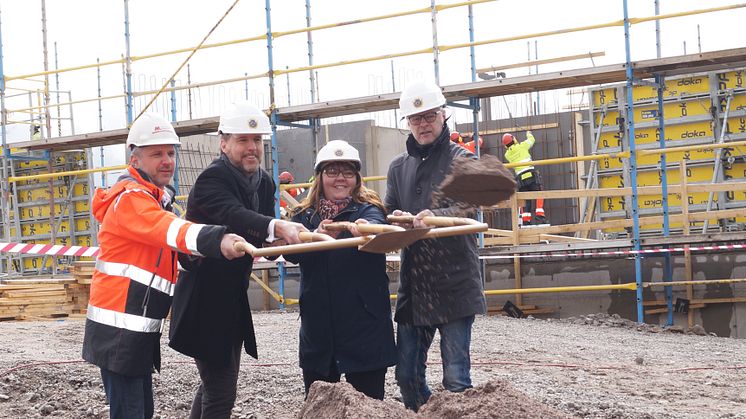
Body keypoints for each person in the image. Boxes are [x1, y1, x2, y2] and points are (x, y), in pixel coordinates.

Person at [82, 113, 249, 419]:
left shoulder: (153, 198)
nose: (167, 161)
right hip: (119, 332)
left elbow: (167, 245)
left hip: (136, 330)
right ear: (135, 157)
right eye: (156, 154)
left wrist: (194, 254)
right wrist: (217, 239)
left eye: (171, 153)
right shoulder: (131, 199)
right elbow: (168, 230)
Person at [168, 102, 308, 419]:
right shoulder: (211, 180)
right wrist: (276, 226)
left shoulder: (264, 183)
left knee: (212, 386)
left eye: (257, 140)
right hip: (202, 298)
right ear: (224, 142)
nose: (252, 148)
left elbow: (258, 237)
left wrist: (279, 239)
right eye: (243, 140)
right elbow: (234, 215)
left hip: (230, 299)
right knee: (221, 391)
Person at [385, 81, 486, 412]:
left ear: (444, 115)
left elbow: (470, 205)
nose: (423, 124)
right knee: (405, 374)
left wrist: (436, 216)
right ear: (408, 123)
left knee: (457, 378)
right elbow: (386, 211)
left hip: (455, 279)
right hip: (416, 283)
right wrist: (394, 217)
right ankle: (427, 412)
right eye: (415, 119)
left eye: (429, 116)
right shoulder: (399, 167)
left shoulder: (463, 160)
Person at [284, 140, 397, 400]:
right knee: (320, 406)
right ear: (320, 177)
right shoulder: (304, 216)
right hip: (319, 328)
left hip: (363, 326)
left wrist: (365, 228)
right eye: (332, 172)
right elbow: (290, 255)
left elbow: (378, 224)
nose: (340, 179)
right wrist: (315, 236)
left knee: (367, 406)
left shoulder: (370, 209)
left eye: (347, 172)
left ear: (357, 179)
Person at [502, 131, 546, 225]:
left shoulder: (507, 155)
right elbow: (532, 140)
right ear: (514, 139)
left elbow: (512, 149)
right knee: (540, 193)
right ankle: (540, 215)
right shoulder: (522, 146)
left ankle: (526, 221)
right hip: (530, 174)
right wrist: (528, 133)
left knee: (525, 201)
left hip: (520, 179)